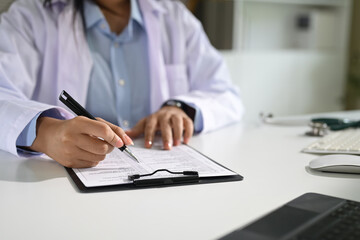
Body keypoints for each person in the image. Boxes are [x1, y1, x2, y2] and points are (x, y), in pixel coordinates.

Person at [0, 0, 244, 168]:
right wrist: (46, 133)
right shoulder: (31, 17)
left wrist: (182, 109)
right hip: (61, 193)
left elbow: (226, 94)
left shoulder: (175, 17)